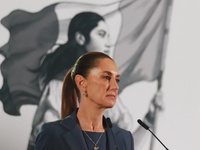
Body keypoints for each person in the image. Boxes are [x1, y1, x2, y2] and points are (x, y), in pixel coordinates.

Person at [28, 11, 133, 150]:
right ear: (80, 38)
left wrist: (149, 117)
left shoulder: (107, 90)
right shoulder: (58, 86)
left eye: (108, 36)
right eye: (101, 34)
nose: (108, 43)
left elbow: (123, 131)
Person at [34, 51, 134, 150]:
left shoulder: (125, 138)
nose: (115, 86)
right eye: (106, 77)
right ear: (82, 83)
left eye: (117, 80)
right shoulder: (52, 134)